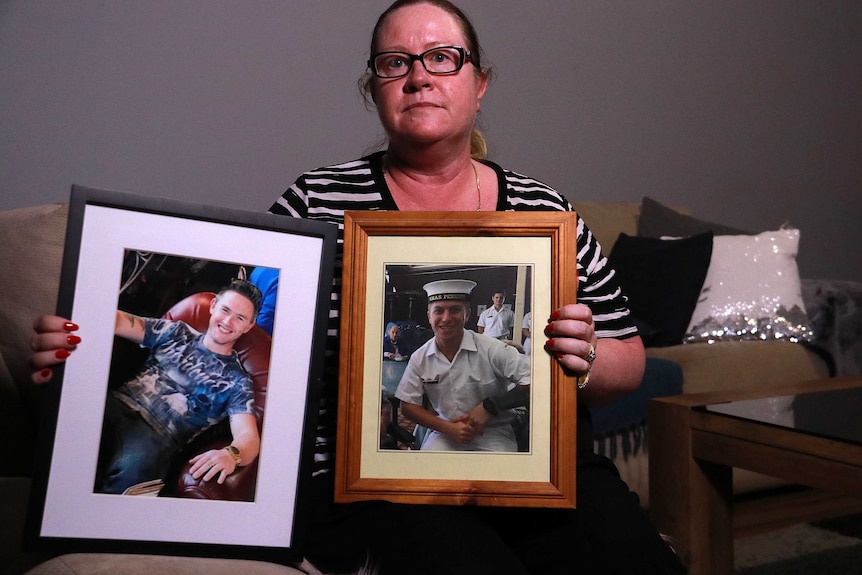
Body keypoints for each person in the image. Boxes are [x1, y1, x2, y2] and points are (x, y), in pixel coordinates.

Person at [32, 1, 685, 572]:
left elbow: (626, 358)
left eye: (442, 57)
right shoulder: (316, 200)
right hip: (370, 486)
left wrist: (588, 353)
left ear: (479, 83)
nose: (419, 75)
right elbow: (234, 330)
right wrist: (82, 341)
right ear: (372, 87)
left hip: (536, 474)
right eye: (394, 62)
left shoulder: (544, 213)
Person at [95, 279, 263, 494]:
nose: (228, 321)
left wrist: (231, 455)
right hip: (115, 405)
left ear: (248, 326)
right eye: (225, 310)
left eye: (239, 318)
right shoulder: (176, 332)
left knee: (136, 477)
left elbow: (248, 436)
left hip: (155, 440)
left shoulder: (238, 381)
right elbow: (119, 321)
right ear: (213, 306)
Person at [395, 279, 529, 451]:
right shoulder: (420, 357)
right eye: (438, 311)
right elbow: (407, 406)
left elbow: (537, 380)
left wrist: (490, 407)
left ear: (467, 314)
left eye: (455, 310)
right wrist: (448, 428)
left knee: (497, 476)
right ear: (429, 316)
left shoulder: (492, 349)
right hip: (446, 432)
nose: (446, 318)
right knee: (428, 471)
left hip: (493, 433)